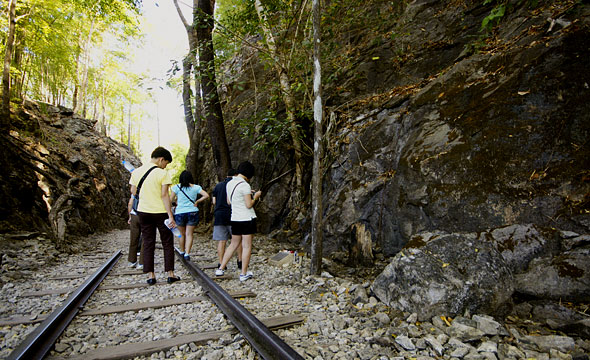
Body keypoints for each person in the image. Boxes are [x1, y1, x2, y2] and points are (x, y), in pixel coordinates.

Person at [129, 147, 180, 285]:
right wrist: (171, 215)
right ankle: (170, 274)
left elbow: (133, 191)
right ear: (161, 159)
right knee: (167, 243)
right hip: (160, 212)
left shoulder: (137, 171)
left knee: (148, 242)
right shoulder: (162, 173)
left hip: (143, 212)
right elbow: (164, 196)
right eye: (166, 163)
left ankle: (151, 275)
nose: (165, 166)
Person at [215, 161, 261, 282]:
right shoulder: (245, 185)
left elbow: (229, 202)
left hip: (234, 218)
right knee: (246, 246)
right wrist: (255, 197)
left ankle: (221, 268)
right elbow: (249, 204)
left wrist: (244, 196)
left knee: (233, 244)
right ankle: (243, 273)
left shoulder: (230, 183)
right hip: (246, 219)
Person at [171, 170, 209, 260]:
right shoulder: (196, 187)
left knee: (181, 234)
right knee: (189, 234)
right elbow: (206, 195)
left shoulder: (176, 187)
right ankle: (187, 254)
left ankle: (182, 251)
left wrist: (172, 207)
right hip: (192, 212)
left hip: (180, 212)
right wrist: (197, 201)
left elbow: (169, 199)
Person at [211, 168, 242, 270]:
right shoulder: (236, 185)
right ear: (236, 175)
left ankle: (221, 263)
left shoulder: (218, 186)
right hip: (233, 214)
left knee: (222, 241)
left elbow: (214, 202)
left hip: (219, 216)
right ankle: (240, 261)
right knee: (237, 240)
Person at [127, 194, 143, 270]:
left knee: (134, 238)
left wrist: (130, 216)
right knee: (145, 239)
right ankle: (142, 262)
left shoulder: (135, 191)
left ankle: (132, 261)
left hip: (134, 215)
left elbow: (130, 203)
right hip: (145, 215)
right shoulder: (148, 189)